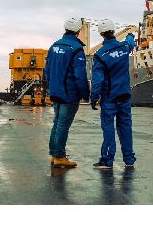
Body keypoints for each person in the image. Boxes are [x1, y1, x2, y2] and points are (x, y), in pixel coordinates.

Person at [90, 19, 137, 170]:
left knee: (109, 129)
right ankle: (129, 159)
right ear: (113, 31)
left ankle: (107, 160)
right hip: (125, 95)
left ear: (101, 34)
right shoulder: (125, 47)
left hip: (109, 99)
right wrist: (130, 35)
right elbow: (131, 42)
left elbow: (97, 81)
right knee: (126, 128)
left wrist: (94, 98)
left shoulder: (100, 55)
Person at [45, 17, 90, 168]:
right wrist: (85, 94)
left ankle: (54, 154)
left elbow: (47, 71)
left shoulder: (54, 46)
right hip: (69, 94)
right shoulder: (76, 49)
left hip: (56, 92)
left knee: (57, 122)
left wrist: (52, 87)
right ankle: (59, 156)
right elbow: (80, 76)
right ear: (78, 31)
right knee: (63, 124)